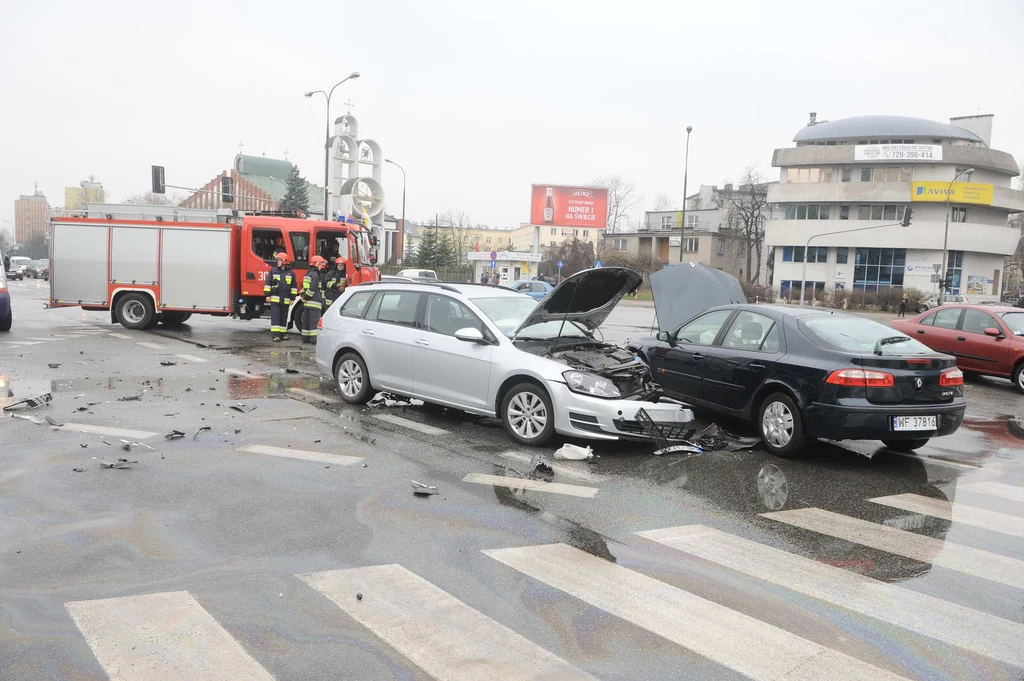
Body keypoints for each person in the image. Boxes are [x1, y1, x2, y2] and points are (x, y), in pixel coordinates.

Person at [263, 252, 297, 342]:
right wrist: (267, 295)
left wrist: (292, 298)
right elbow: (268, 283)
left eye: (279, 260)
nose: (278, 262)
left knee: (283, 317)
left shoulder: (291, 273)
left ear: (284, 261)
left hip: (286, 299)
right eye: (277, 260)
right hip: (275, 298)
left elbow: (294, 286)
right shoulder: (273, 271)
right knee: (275, 316)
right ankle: (275, 335)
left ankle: (283, 334)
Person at [300, 256, 328, 344]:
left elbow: (304, 288)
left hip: (307, 303)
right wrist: (305, 297)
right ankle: (314, 340)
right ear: (316, 264)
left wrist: (303, 297)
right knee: (314, 322)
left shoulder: (308, 274)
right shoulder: (315, 275)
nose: (321, 266)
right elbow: (312, 289)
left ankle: (305, 338)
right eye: (320, 264)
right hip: (315, 303)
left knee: (306, 322)